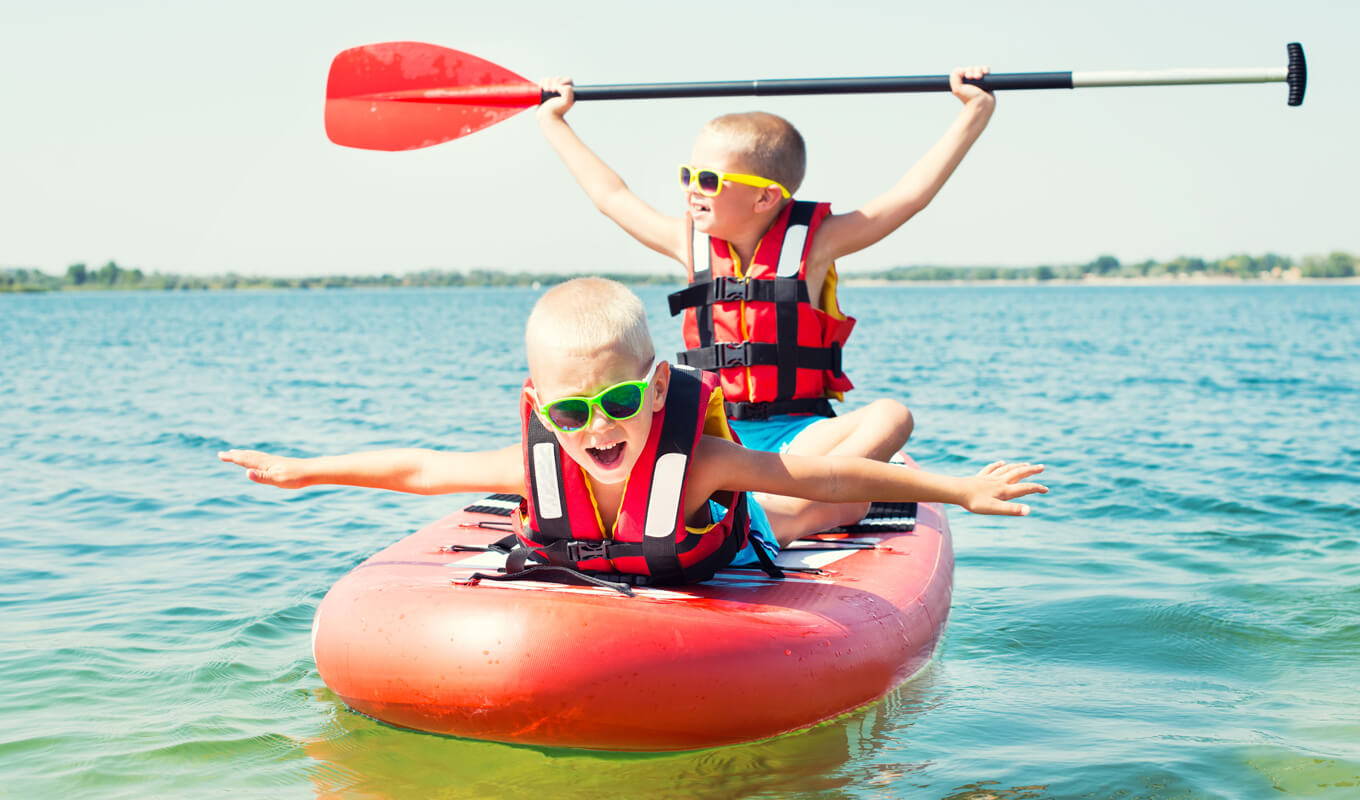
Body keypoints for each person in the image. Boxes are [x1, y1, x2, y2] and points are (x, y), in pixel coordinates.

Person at [220, 278, 1045, 585]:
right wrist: (305, 469)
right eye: (572, 413)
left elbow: (826, 485)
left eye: (618, 402)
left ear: (657, 391)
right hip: (700, 513)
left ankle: (891, 423)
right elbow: (420, 468)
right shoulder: (537, 466)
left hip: (763, 513)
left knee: (879, 432)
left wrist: (959, 490)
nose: (598, 427)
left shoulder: (702, 465)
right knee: (828, 448)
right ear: (542, 409)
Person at [535, 66, 996, 538]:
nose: (693, 188)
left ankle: (807, 500)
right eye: (688, 174)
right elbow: (611, 196)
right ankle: (796, 506)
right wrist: (554, 121)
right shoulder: (688, 243)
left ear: (765, 198)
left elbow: (908, 197)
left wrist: (975, 110)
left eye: (710, 180)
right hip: (715, 436)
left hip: (799, 437)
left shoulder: (816, 245)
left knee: (893, 416)